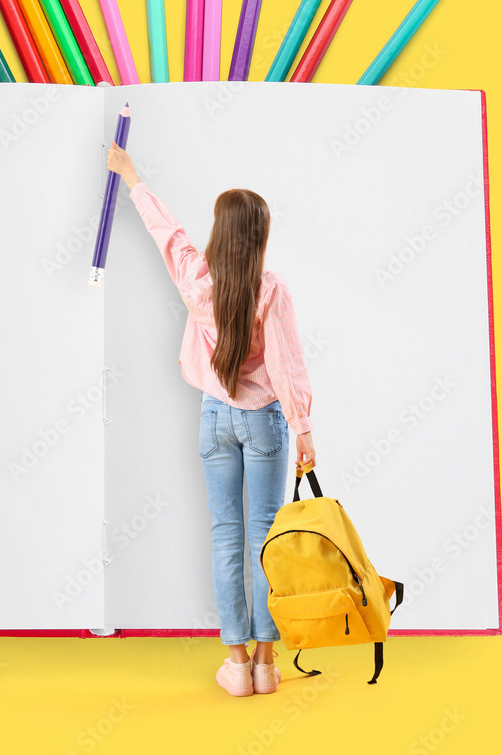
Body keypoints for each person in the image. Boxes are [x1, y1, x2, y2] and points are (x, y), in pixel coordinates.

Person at [106, 141, 316, 698]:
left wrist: (132, 176)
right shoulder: (270, 291)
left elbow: (168, 235)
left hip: (214, 421)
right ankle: (268, 665)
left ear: (221, 235)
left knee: (227, 534)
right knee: (264, 538)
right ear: (262, 236)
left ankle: (236, 663)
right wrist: (305, 430)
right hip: (265, 423)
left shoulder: (200, 283)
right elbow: (287, 365)